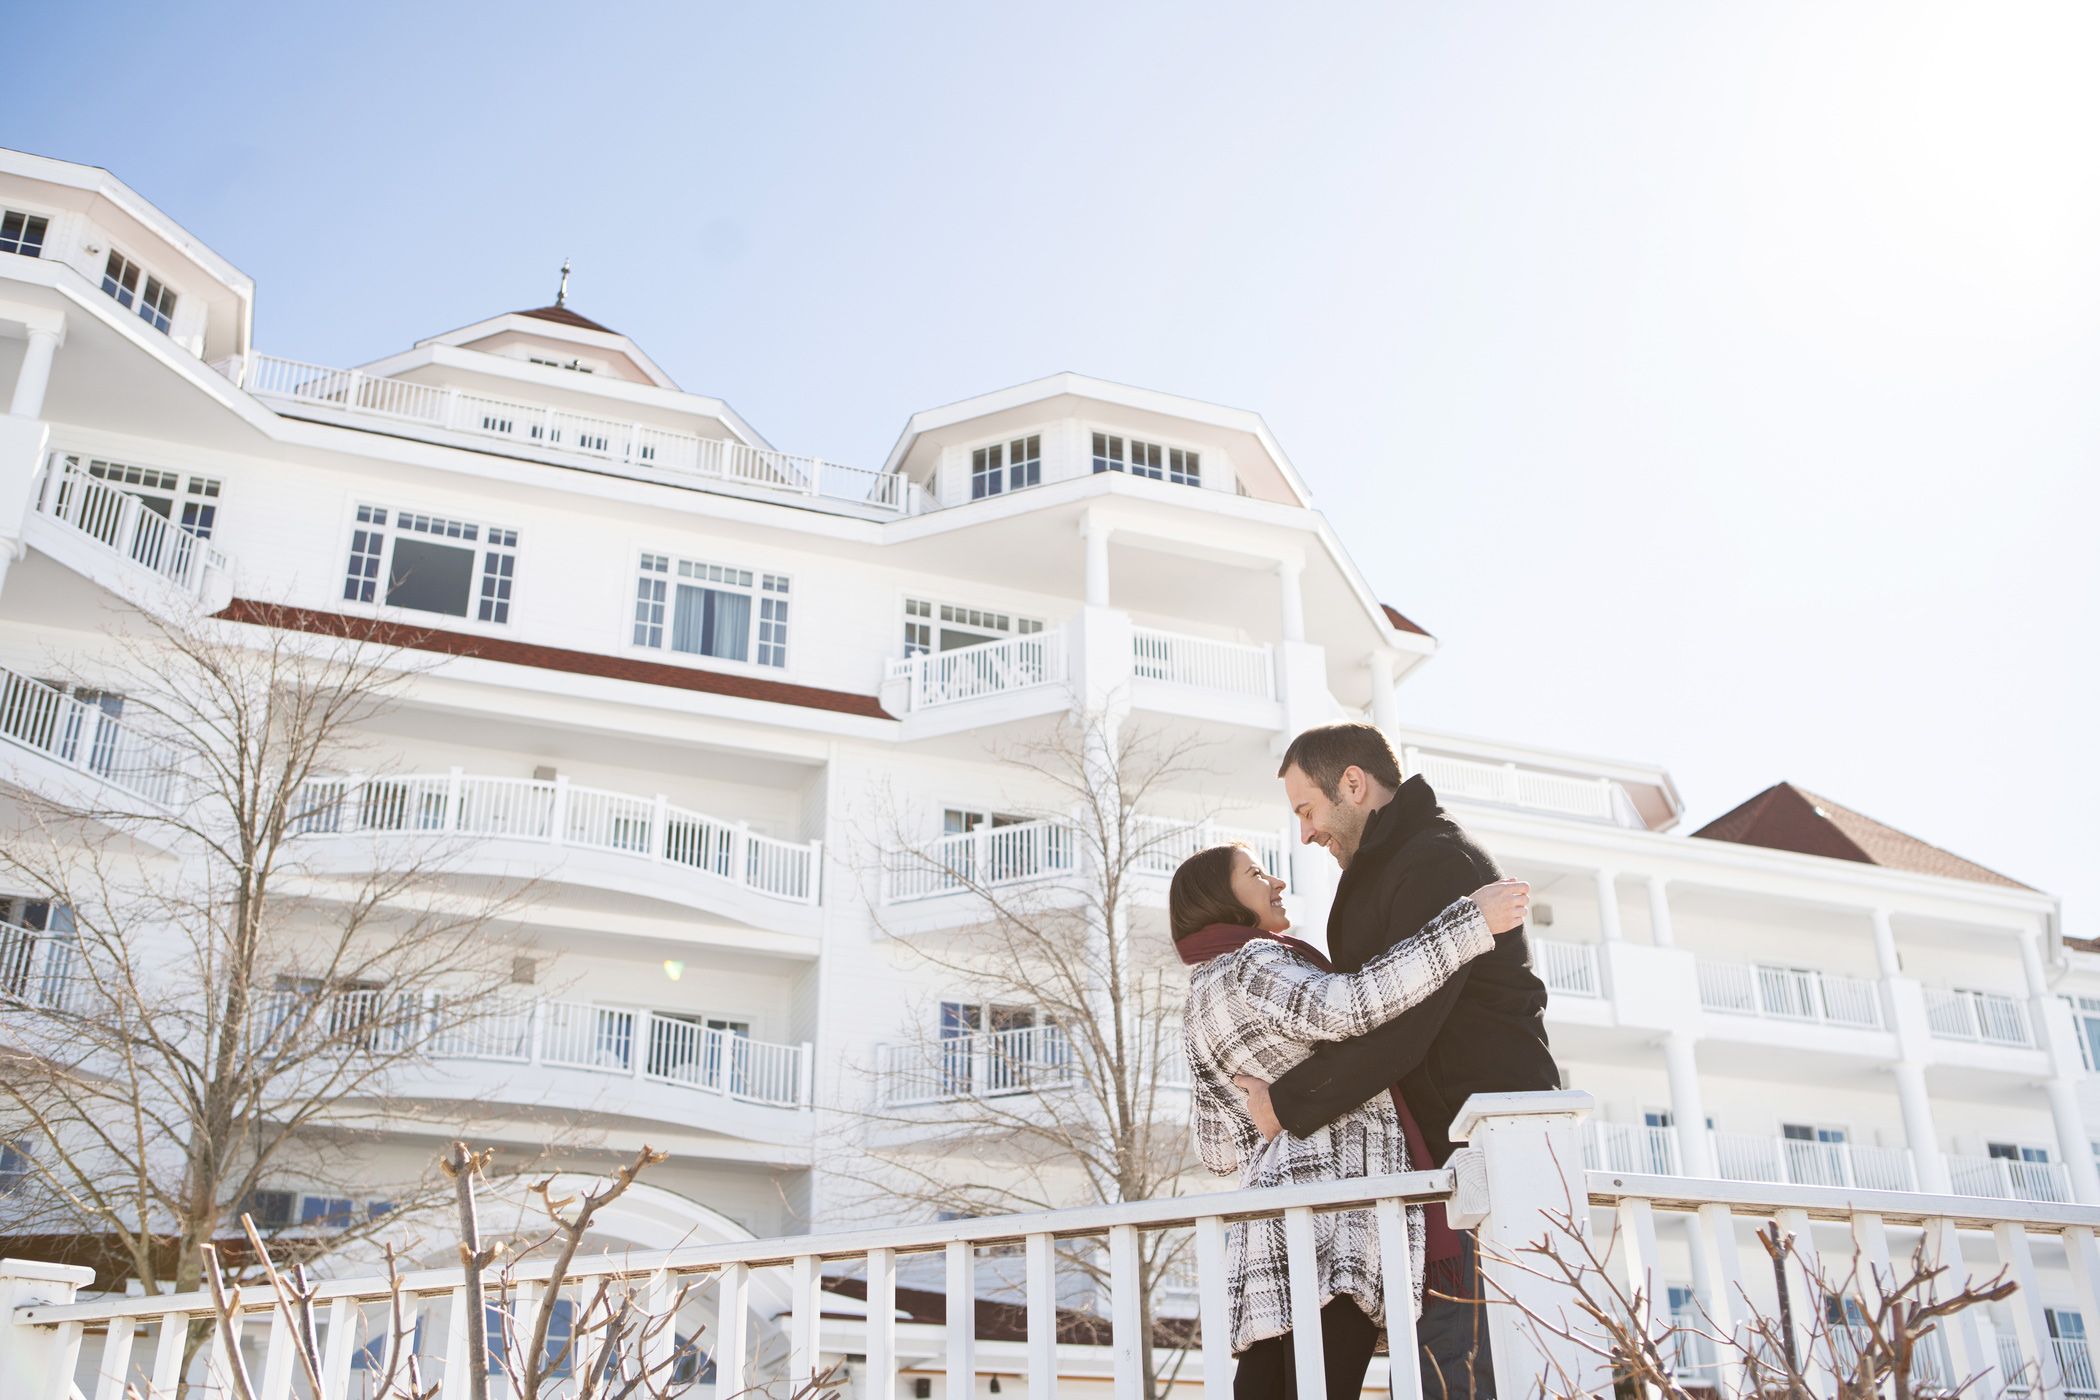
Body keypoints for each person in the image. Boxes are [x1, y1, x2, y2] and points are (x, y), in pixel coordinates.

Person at [1233, 723, 1562, 1399]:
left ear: (1353, 784)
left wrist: (1286, 1104)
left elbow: (1401, 1029)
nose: (1305, 834)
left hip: (1483, 1165)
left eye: (1307, 811)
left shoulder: (1435, 861)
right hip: (1436, 1177)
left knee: (1466, 1373)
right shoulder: (1387, 869)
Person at [1172, 839, 1530, 1399]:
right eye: (1256, 872)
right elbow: (1350, 1006)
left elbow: (1217, 1149)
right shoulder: (1253, 962)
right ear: (1222, 898)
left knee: (1269, 1387)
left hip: (1265, 1226)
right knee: (1324, 1383)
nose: (1277, 882)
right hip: (1336, 1217)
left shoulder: (1198, 997)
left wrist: (1274, 1103)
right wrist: (1468, 924)